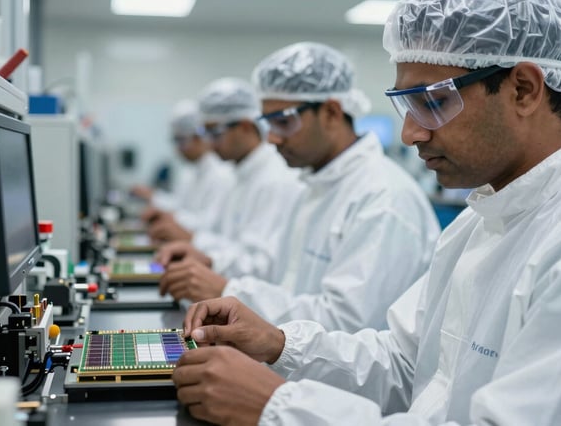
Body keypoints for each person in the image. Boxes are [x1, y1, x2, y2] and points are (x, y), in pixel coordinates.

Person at [171, 0, 561, 425]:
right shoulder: (485, 218)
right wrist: (279, 344)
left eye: (432, 102)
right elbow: (405, 363)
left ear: (523, 89)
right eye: (406, 104)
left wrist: (281, 409)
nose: (411, 132)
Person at [158, 42, 440, 332]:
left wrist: (231, 290)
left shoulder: (382, 198)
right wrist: (220, 275)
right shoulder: (312, 186)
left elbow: (348, 327)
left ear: (331, 112)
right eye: (269, 124)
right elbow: (281, 279)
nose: (272, 140)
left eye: (283, 122)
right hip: (294, 367)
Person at [147, 77, 303, 280]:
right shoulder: (237, 174)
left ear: (246, 127)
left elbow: (263, 266)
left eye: (215, 133)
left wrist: (206, 254)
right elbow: (222, 236)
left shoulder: (274, 179)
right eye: (206, 134)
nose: (209, 145)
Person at [133, 99, 235, 232]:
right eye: (175, 141)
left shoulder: (221, 174)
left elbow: (209, 226)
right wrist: (156, 200)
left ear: (200, 138)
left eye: (182, 141)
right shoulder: (189, 170)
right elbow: (181, 206)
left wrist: (170, 216)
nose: (178, 149)